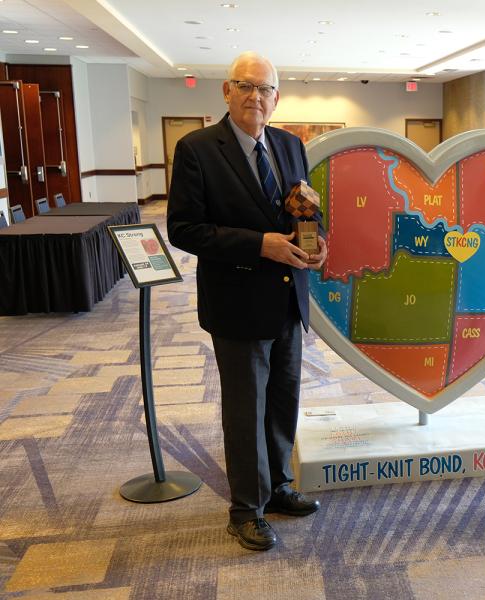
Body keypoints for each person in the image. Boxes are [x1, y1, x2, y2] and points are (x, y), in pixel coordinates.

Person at [167, 51, 327, 551]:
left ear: (276, 98)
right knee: (244, 410)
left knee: (283, 400)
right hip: (237, 302)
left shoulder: (289, 145)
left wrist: (317, 242)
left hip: (288, 298)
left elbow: (306, 210)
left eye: (265, 90)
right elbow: (184, 229)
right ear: (226, 91)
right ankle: (245, 509)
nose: (256, 97)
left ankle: (277, 486)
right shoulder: (196, 148)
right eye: (246, 86)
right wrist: (261, 244)